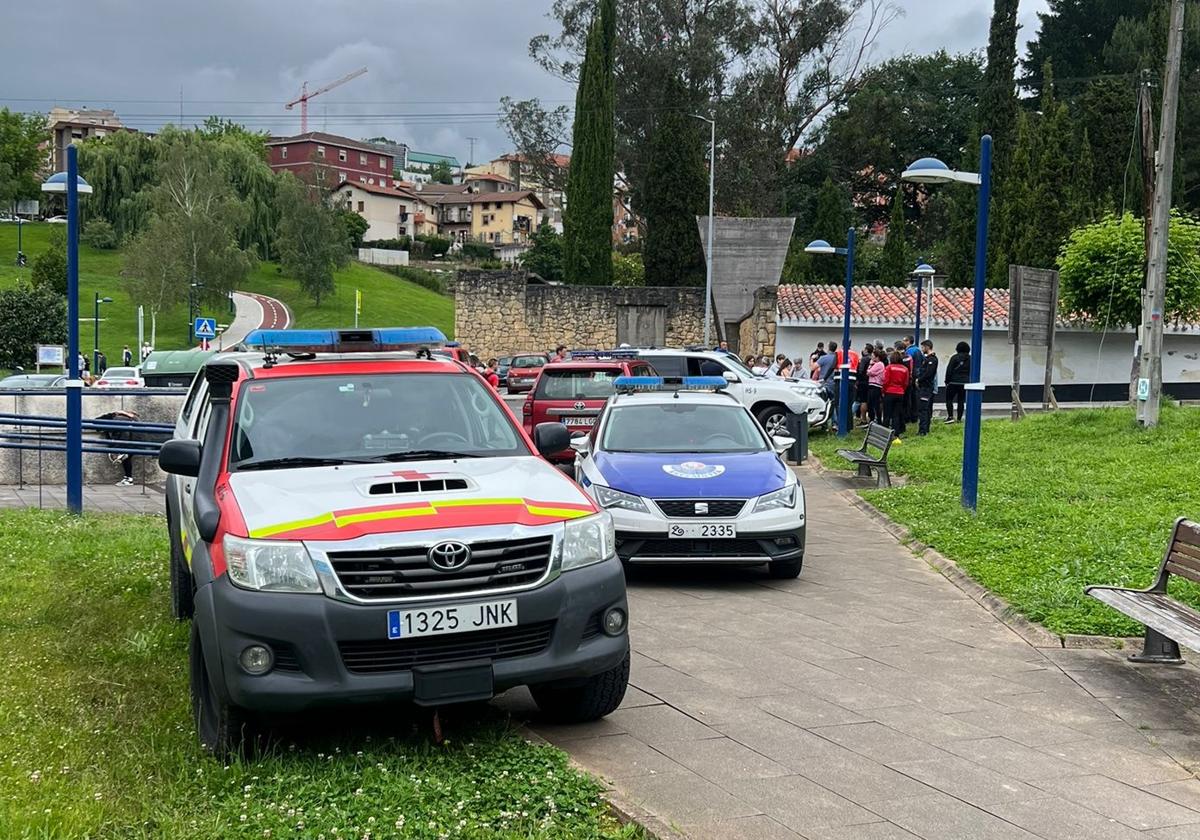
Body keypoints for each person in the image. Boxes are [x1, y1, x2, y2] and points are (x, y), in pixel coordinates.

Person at [97, 409, 139, 486]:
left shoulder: (116, 420)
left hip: (127, 443)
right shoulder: (133, 419)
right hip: (134, 442)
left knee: (126, 459)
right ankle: (128, 478)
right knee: (127, 459)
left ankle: (129, 478)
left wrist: (114, 413)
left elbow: (97, 421)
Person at [882, 351, 910, 438]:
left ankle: (885, 433)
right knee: (896, 414)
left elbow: (885, 381)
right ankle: (896, 433)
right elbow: (906, 383)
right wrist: (902, 390)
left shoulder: (889, 368)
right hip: (900, 393)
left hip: (889, 392)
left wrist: (883, 391)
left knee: (887, 414)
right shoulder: (905, 369)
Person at [915, 339, 939, 435]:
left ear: (927, 347)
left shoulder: (932, 360)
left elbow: (928, 374)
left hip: (926, 387)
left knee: (923, 409)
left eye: (923, 347)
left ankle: (923, 430)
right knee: (925, 409)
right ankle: (925, 429)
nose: (922, 349)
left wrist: (919, 380)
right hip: (925, 387)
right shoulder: (928, 359)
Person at [944, 340, 970, 423]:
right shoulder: (970, 358)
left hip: (953, 382)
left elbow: (949, 370)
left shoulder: (954, 357)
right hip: (965, 382)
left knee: (949, 399)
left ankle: (950, 416)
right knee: (961, 400)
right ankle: (959, 418)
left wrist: (947, 381)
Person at [855, 343, 873, 424]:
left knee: (863, 401)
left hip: (863, 382)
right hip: (870, 381)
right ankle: (870, 417)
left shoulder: (864, 359)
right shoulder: (872, 359)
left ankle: (863, 419)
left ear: (866, 350)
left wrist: (857, 379)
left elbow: (860, 370)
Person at [867, 348, 885, 423]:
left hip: (876, 386)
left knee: (875, 404)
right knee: (871, 403)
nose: (872, 357)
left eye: (873, 355)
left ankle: (877, 419)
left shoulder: (879, 364)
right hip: (872, 385)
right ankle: (873, 419)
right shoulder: (875, 364)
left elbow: (870, 372)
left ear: (877, 357)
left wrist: (870, 366)